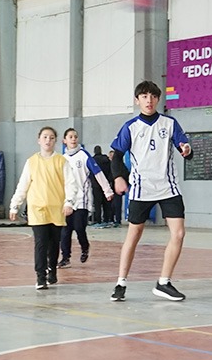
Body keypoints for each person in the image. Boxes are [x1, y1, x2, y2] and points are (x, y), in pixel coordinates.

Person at [109, 80, 193, 302]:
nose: (149, 100)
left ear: (158, 99)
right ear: (137, 100)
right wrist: (118, 177)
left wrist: (186, 149)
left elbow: (185, 147)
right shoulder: (130, 127)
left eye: (153, 96)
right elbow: (116, 156)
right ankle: (121, 282)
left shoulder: (170, 123)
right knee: (134, 234)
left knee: (179, 233)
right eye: (144, 96)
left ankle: (164, 282)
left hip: (168, 187)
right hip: (141, 188)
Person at [9, 126, 80, 289]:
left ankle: (52, 270)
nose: (48, 140)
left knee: (54, 244)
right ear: (39, 140)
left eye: (51, 138)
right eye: (45, 137)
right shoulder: (31, 162)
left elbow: (71, 184)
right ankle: (40, 277)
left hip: (56, 209)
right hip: (37, 209)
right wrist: (15, 205)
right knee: (40, 243)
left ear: (56, 141)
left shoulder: (62, 161)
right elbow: (23, 185)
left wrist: (69, 202)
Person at [59, 128, 114, 268]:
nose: (73, 139)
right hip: (67, 201)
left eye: (75, 136)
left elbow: (98, 173)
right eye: (70, 137)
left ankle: (85, 247)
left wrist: (107, 190)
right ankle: (65, 258)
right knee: (65, 231)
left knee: (79, 228)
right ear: (64, 140)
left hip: (82, 200)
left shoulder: (84, 156)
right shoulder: (62, 159)